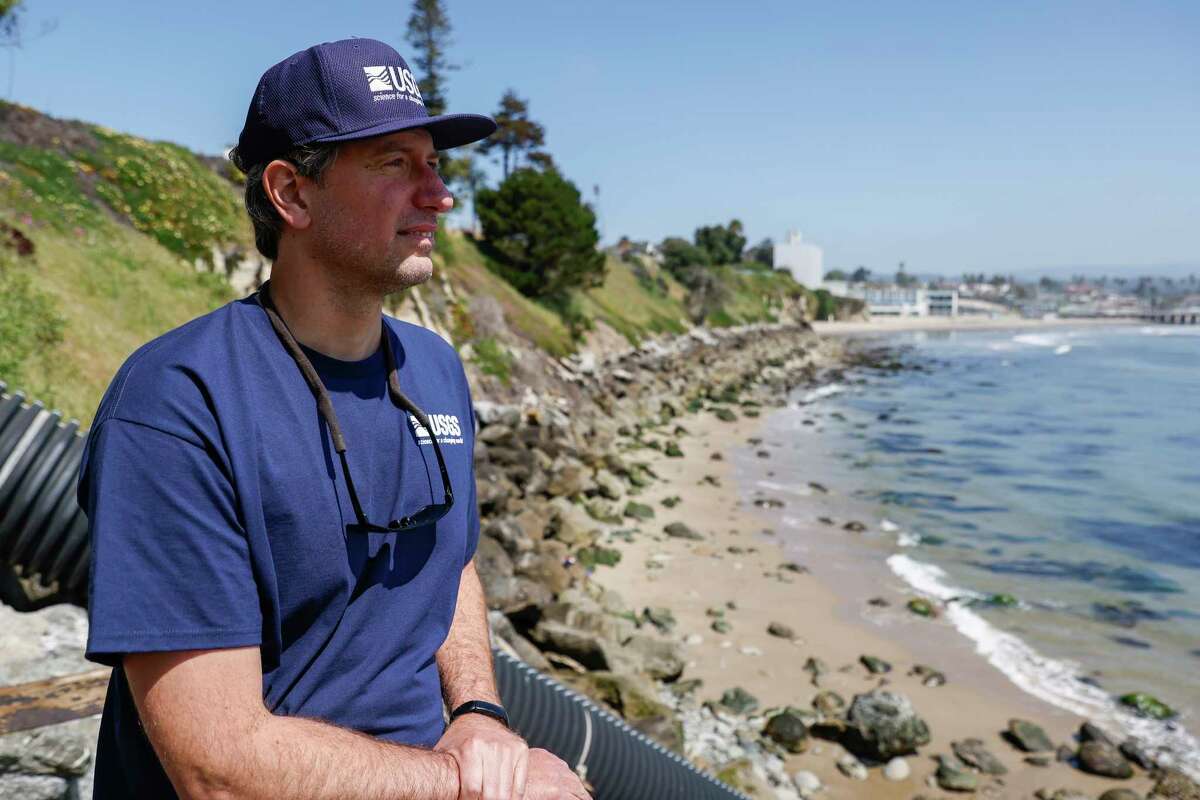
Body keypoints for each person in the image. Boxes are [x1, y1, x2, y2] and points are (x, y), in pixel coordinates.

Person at [77, 38, 589, 800]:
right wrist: (471, 786)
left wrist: (478, 712)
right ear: (291, 193)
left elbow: (449, 562)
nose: (439, 195)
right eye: (394, 164)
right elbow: (216, 767)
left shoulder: (436, 370)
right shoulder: (179, 403)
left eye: (435, 163)